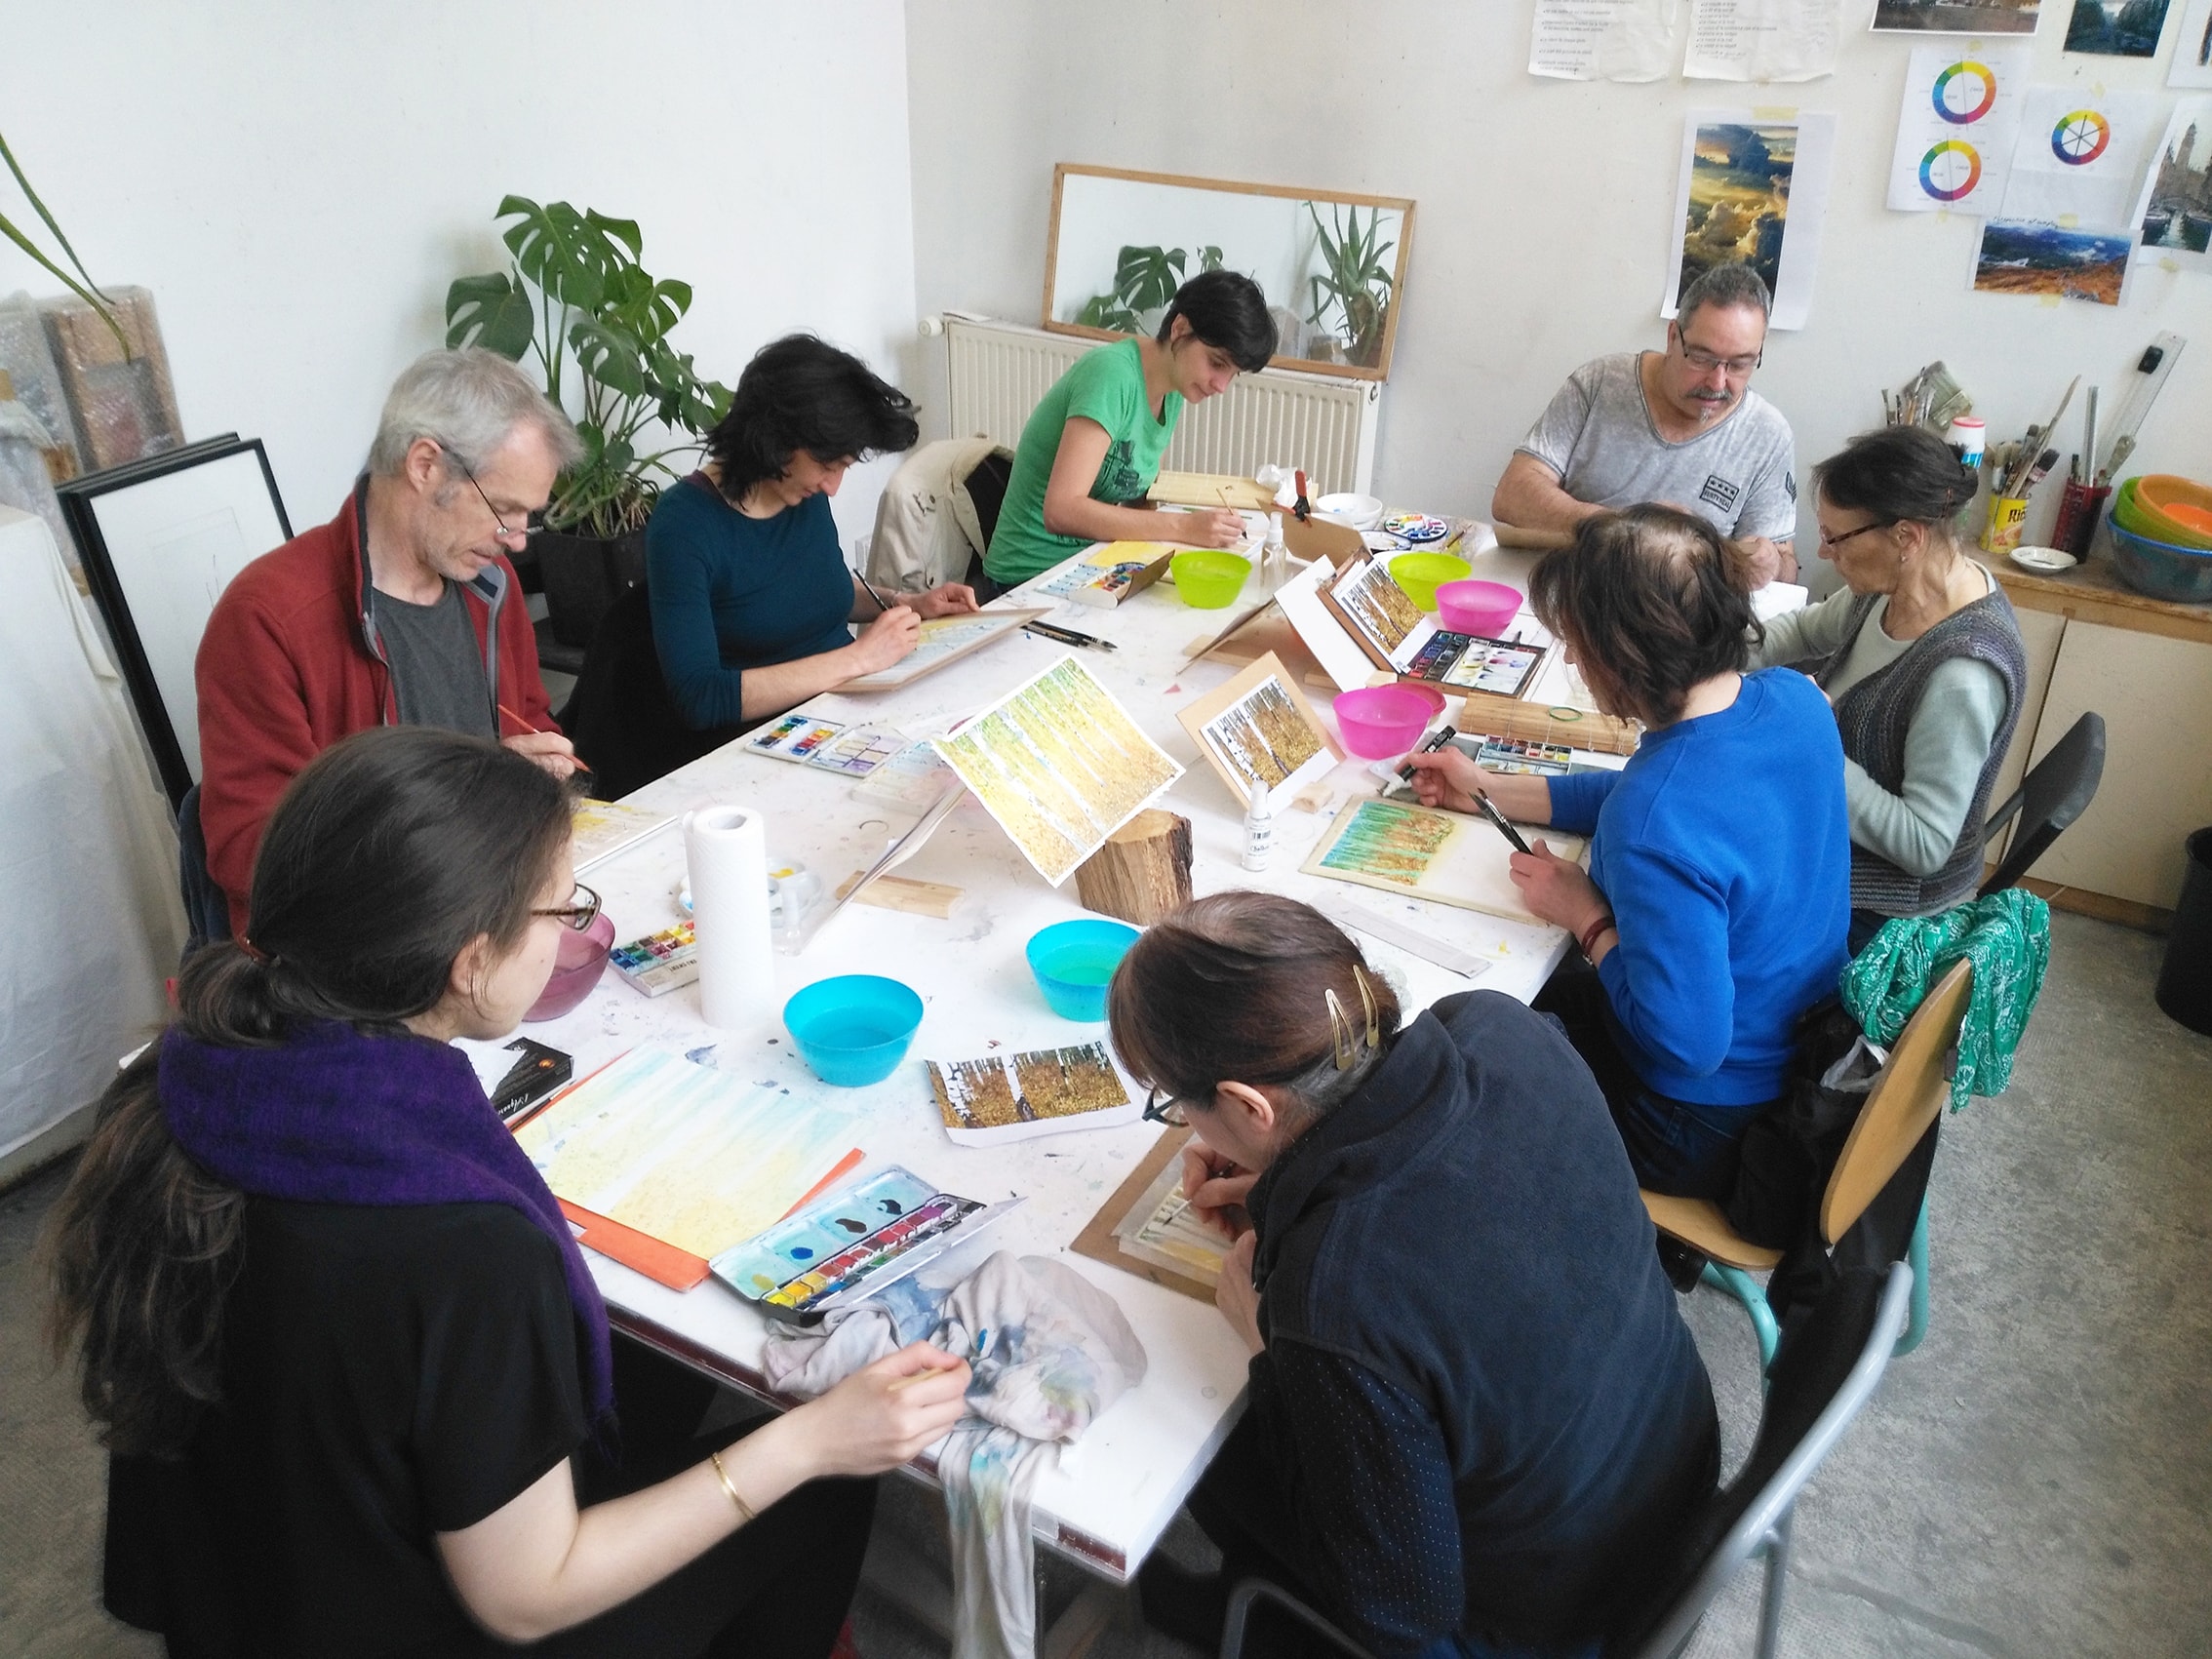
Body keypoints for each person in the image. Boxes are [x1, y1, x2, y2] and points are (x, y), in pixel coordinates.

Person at [46, 727, 971, 1658]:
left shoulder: (187, 1077)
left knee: (642, 1360)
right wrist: (810, 1442)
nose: (573, 929)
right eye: (562, 911)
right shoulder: (464, 1248)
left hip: (262, 1578)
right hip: (421, 1617)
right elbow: (525, 1597)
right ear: (469, 960)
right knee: (823, 1480)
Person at [1110, 892, 1718, 1658]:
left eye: (1174, 1104)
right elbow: (1458, 1208)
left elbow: (1401, 1608)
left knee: (1198, 1446)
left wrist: (1270, 1344)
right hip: (1674, 1476)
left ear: (1244, 1103)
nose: (1186, 1125)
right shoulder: (1500, 1027)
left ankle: (1258, 1621)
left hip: (1557, 1620)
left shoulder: (1336, 1297)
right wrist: (1287, 1187)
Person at [1410, 506, 1849, 1200]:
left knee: (1462, 1047)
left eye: (1578, 647)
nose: (1574, 662)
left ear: (1621, 659)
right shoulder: (1792, 699)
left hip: (1699, 1122)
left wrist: (1588, 919)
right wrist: (1490, 788)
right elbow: (1656, 801)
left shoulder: (1657, 818)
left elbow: (1689, 1045)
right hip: (1802, 1054)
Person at [196, 348, 582, 935]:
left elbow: (522, 724)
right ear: (426, 464)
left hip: (479, 911)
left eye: (529, 516)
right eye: (504, 510)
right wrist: (464, 801)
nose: (519, 540)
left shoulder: (489, 587)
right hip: (354, 949)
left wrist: (535, 770)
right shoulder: (269, 617)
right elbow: (255, 853)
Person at [1751, 426, 2028, 949]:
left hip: (1881, 910)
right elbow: (1804, 630)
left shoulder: (1961, 673)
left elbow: (1925, 845)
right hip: (1831, 838)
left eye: (1835, 538)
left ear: (1905, 536)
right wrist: (1703, 647)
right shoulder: (1891, 586)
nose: (1826, 553)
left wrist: (1815, 742)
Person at [646, 335, 977, 732]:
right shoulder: (684, 525)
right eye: (828, 465)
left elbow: (821, 591)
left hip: (849, 707)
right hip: (769, 736)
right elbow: (700, 696)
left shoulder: (799, 492)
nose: (833, 486)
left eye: (845, 467)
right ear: (775, 439)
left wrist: (909, 603)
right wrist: (859, 659)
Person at [1493, 263, 1799, 587]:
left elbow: (1786, 569)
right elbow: (1512, 496)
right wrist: (1627, 529)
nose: (1717, 381)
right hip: (1576, 591)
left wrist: (1770, 565)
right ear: (1672, 337)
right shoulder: (1601, 383)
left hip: (1683, 615)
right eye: (1701, 358)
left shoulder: (1768, 434)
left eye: (1740, 364)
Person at [981, 270, 1277, 592]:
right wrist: (1183, 526)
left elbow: (1138, 493)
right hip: (1026, 580)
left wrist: (1189, 531)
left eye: (1233, 374)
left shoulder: (1173, 388)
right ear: (1179, 329)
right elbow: (1062, 510)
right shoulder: (1112, 375)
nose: (1220, 386)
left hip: (1092, 566)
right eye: (1217, 363)